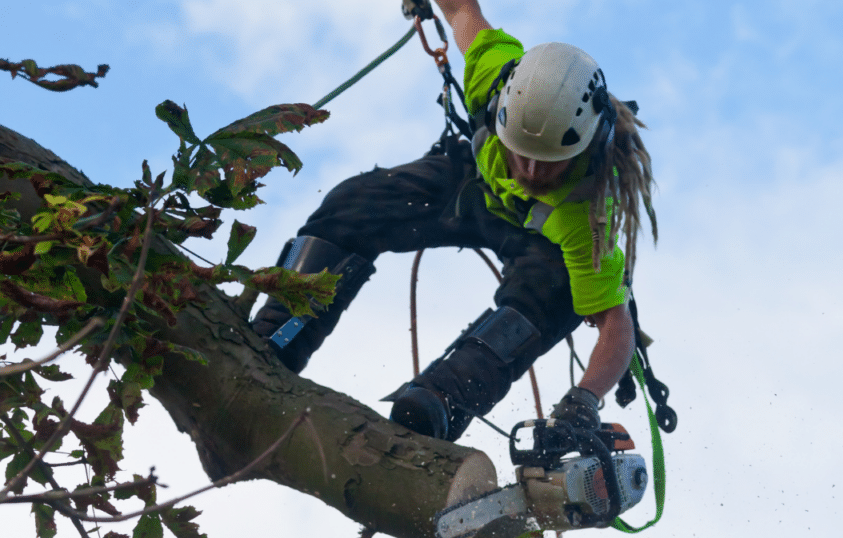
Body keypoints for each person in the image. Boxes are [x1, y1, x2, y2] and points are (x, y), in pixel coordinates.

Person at [251, 0, 658, 443]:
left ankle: (441, 400)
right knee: (353, 203)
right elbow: (462, 9)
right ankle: (279, 333)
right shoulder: (495, 71)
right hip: (473, 188)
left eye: (550, 163)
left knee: (554, 296)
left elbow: (617, 325)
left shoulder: (586, 214)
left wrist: (585, 400)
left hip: (544, 246)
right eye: (522, 152)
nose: (533, 174)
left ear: (583, 147)